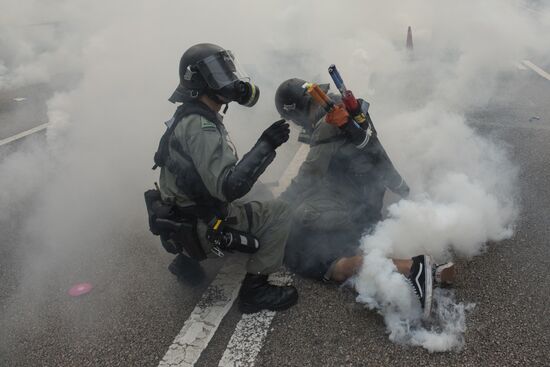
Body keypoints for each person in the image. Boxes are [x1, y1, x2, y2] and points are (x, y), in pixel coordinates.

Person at [274, 78, 454, 316]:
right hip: (368, 198)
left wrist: (276, 210)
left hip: (353, 206)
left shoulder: (328, 124)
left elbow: (308, 176)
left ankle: (412, 269)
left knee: (300, 248)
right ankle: (401, 265)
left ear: (296, 113)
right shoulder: (343, 108)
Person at [147, 43, 298, 314]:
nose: (228, 78)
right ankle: (256, 291)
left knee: (260, 191)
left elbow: (193, 179)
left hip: (181, 217)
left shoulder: (188, 114)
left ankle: (187, 262)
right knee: (280, 211)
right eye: (218, 72)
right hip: (203, 224)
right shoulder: (202, 127)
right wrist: (266, 144)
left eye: (226, 69)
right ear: (201, 81)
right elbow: (229, 187)